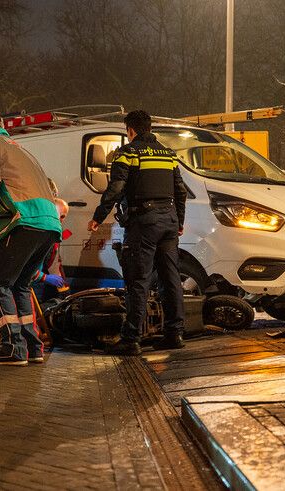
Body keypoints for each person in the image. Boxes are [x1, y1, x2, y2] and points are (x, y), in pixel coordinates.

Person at [87, 110, 188, 355]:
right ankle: (175, 333)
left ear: (130, 130)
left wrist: (98, 217)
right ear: (149, 128)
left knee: (138, 280)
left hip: (144, 221)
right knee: (170, 278)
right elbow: (181, 191)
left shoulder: (129, 152)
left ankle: (131, 339)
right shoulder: (168, 154)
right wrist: (180, 222)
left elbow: (116, 188)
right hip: (169, 220)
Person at [0, 113, 62, 366]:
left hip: (23, 221)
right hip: (49, 223)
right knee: (21, 284)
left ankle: (13, 347)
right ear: (2, 127)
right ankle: (33, 347)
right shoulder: (22, 149)